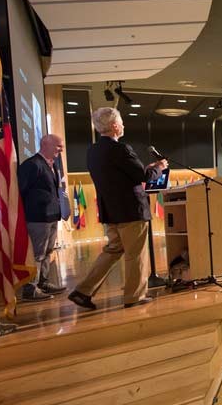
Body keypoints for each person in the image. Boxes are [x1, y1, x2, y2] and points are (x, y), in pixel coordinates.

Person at [69, 107, 165, 310]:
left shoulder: (93, 151)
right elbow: (143, 177)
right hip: (130, 211)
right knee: (135, 254)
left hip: (110, 211)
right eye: (121, 122)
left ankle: (83, 291)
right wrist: (158, 168)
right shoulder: (121, 149)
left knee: (112, 250)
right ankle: (134, 297)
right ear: (114, 126)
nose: (123, 125)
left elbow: (118, 176)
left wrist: (145, 170)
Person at [18, 134, 67, 301]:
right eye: (58, 146)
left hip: (52, 216)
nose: (61, 149)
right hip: (38, 218)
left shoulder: (52, 165)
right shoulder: (32, 165)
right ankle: (30, 289)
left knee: (47, 252)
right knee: (37, 254)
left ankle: (43, 283)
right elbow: (20, 190)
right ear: (45, 144)